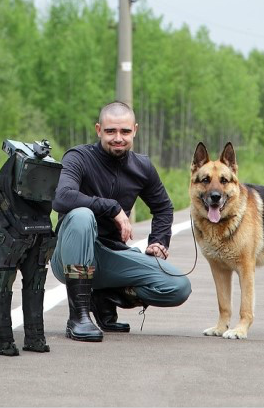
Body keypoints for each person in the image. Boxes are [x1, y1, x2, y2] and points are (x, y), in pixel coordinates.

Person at [51, 101, 192, 342]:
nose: (118, 138)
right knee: (82, 215)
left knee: (177, 287)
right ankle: (78, 317)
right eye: (110, 131)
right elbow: (62, 197)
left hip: (111, 255)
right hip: (69, 254)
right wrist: (113, 207)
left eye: (125, 132)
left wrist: (158, 241)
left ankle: (105, 296)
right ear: (98, 130)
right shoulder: (78, 157)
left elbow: (163, 207)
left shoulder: (142, 167)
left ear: (135, 130)